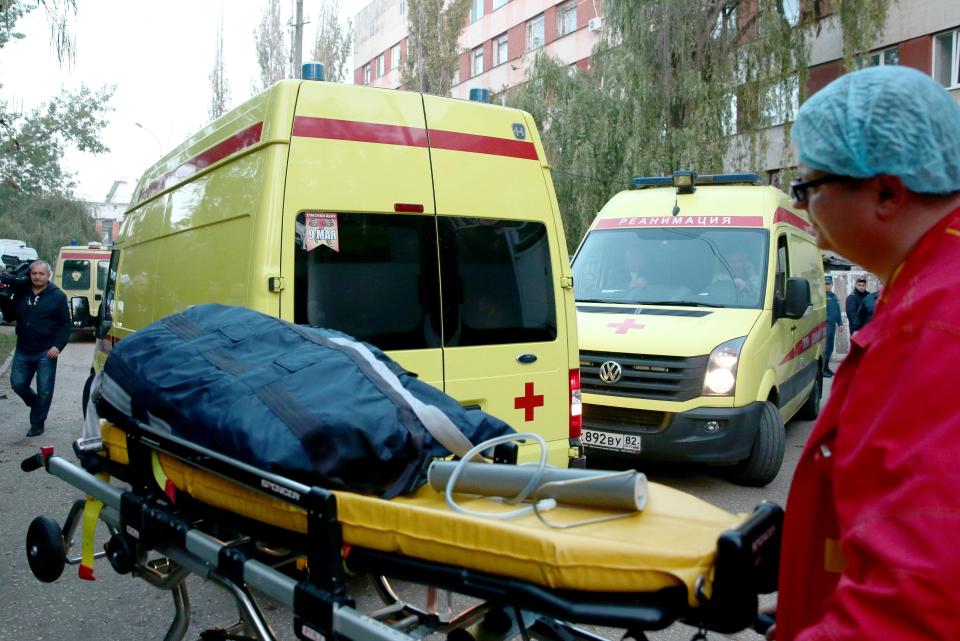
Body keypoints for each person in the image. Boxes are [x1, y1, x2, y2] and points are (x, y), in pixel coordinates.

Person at [770, 65, 960, 640]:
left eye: (808, 188)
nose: (802, 208)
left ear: (885, 191)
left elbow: (919, 600)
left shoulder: (934, 323)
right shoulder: (929, 289)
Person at [0, 260, 71, 437]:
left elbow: (65, 325)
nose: (37, 276)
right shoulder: (21, 292)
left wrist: (58, 346)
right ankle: (35, 403)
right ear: (29, 275)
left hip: (46, 351)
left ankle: (37, 423)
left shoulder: (58, 296)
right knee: (17, 384)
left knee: (45, 389)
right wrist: (3, 299)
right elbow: (10, 317)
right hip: (23, 348)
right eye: (34, 273)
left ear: (48, 276)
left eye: (41, 274)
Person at [822, 275, 841, 377]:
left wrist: (840, 323)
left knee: (830, 348)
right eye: (825, 284)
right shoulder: (821, 297)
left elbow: (837, 311)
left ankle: (826, 367)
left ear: (832, 285)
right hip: (825, 325)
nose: (827, 286)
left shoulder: (834, 296)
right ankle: (823, 370)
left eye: (829, 284)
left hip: (832, 325)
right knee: (825, 348)